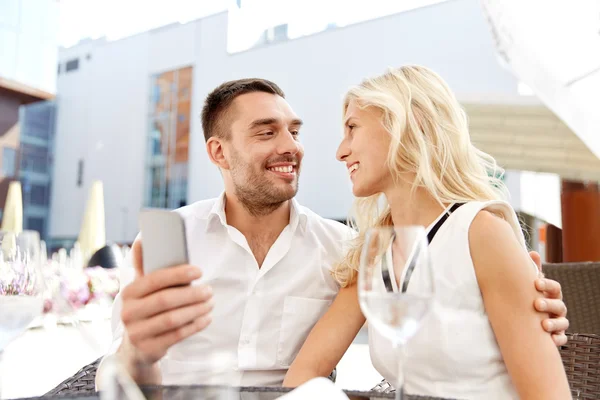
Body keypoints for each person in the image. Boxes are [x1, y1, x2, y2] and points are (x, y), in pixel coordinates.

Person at [96, 77, 568, 390]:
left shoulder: (346, 248)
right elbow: (119, 377)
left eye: (295, 131)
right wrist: (138, 349)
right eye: (266, 133)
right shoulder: (365, 252)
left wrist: (536, 309)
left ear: (407, 130)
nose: (296, 148)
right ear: (219, 153)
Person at [283, 66, 571, 399]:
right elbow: (302, 376)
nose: (340, 151)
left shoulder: (481, 233)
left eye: (352, 128)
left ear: (408, 124)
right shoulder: (376, 252)